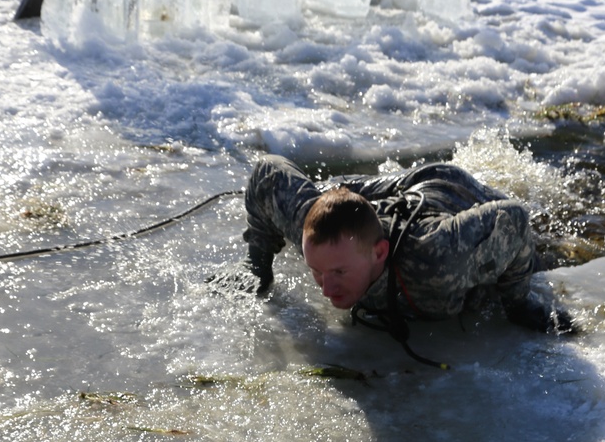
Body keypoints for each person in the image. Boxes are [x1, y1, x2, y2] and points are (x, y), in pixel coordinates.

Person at [239, 154, 574, 363]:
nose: (326, 288)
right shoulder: (315, 235)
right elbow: (266, 172)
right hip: (391, 190)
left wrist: (518, 303)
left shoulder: (437, 259)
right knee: (330, 199)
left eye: (339, 272)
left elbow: (513, 220)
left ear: (378, 253)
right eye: (316, 271)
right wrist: (259, 264)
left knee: (549, 253)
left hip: (454, 193)